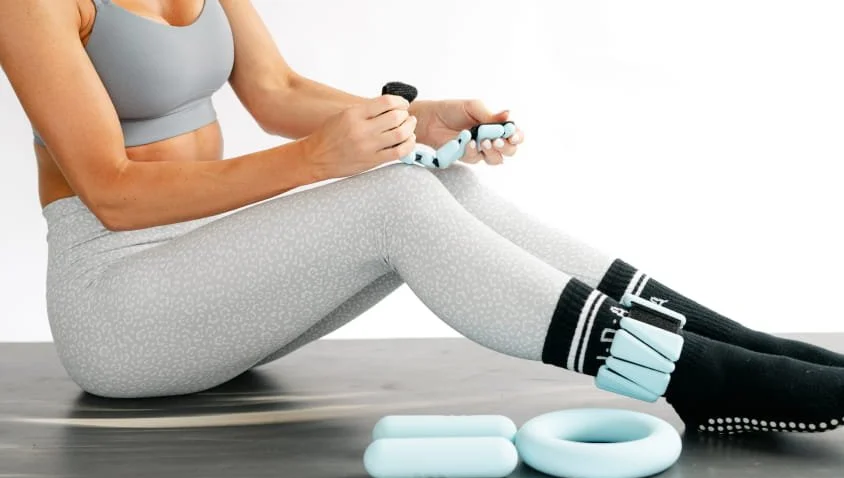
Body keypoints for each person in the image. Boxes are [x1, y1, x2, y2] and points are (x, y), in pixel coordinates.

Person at [1, 0, 843, 437]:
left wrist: (417, 119)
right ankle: (695, 377)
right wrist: (316, 162)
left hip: (213, 279)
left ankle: (730, 346)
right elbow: (108, 189)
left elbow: (279, 94)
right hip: (122, 305)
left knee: (431, 181)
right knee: (396, 195)